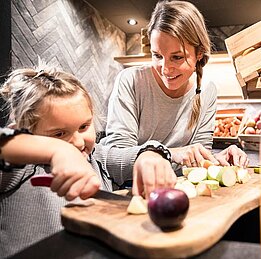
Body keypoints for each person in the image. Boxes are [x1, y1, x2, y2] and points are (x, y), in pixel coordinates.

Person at [0, 65, 175, 257]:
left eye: (84, 126)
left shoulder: (97, 156)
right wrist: (58, 150)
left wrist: (150, 156)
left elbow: (136, 154)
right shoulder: (21, 166)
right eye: (59, 134)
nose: (78, 141)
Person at [101, 0, 249, 170]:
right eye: (157, 55)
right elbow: (116, 162)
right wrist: (171, 154)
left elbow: (197, 159)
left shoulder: (207, 91)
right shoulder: (131, 80)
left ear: (199, 53)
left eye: (177, 57)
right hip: (131, 190)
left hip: (178, 189)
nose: (165, 69)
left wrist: (217, 159)